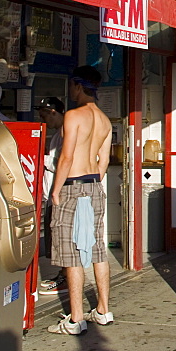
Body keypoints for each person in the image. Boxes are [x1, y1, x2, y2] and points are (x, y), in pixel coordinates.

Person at [46, 66, 113, 336]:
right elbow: (104, 161)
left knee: (71, 252)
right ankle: (103, 310)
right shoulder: (105, 120)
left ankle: (75, 319)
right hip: (94, 185)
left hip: (72, 186)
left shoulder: (73, 116)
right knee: (96, 248)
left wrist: (56, 190)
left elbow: (66, 157)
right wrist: (92, 184)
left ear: (77, 86)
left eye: (72, 86)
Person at [35, 97, 68, 296]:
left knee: (60, 238)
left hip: (60, 192)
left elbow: (63, 162)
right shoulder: (58, 134)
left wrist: (43, 159)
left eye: (44, 116)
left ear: (53, 112)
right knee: (54, 238)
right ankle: (62, 274)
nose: (44, 121)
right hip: (52, 192)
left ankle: (65, 277)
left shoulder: (65, 134)